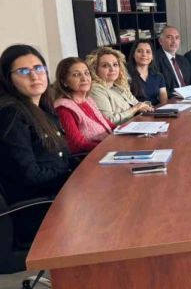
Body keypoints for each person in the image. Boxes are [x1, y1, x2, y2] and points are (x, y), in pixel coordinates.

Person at [0, 45, 71, 244]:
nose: (34, 76)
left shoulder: (43, 110)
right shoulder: (11, 114)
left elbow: (61, 158)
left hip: (58, 195)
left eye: (38, 68)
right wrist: (70, 176)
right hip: (39, 209)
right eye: (23, 71)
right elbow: (30, 175)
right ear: (8, 78)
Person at [53, 57, 115, 154]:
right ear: (64, 82)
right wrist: (110, 148)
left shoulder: (88, 100)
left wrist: (129, 131)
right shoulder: (63, 108)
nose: (84, 78)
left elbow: (109, 126)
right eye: (76, 75)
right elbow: (77, 144)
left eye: (87, 73)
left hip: (108, 148)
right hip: (91, 156)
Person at [86, 47, 153, 124]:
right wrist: (135, 109)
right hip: (119, 130)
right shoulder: (95, 89)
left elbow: (138, 105)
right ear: (95, 69)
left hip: (136, 124)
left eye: (115, 64)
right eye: (105, 66)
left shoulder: (119, 86)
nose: (112, 69)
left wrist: (142, 107)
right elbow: (109, 121)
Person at [127, 39, 168, 106]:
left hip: (156, 110)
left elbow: (164, 101)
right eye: (140, 51)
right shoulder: (126, 75)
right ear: (133, 55)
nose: (144, 54)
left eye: (148, 52)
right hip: (136, 111)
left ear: (152, 57)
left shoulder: (158, 76)